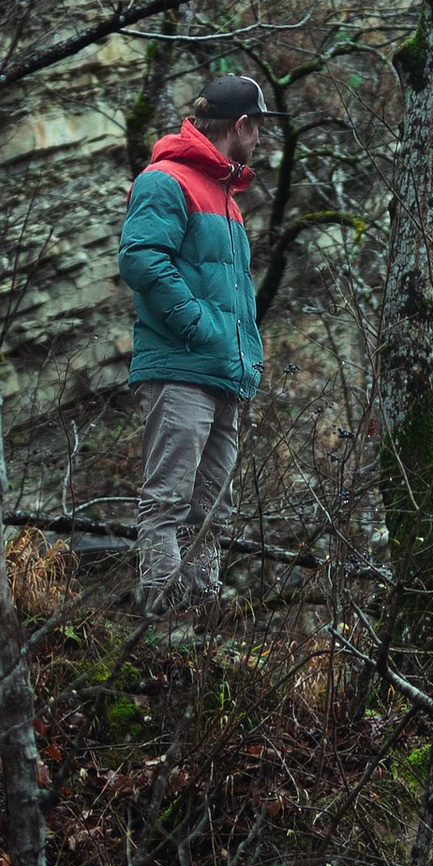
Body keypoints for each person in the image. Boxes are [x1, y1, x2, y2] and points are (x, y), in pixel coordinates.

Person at [116, 72, 270, 614]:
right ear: (242, 124)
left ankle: (197, 627)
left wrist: (242, 352)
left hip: (222, 372)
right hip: (181, 369)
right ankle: (162, 626)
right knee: (169, 499)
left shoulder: (227, 196)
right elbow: (140, 259)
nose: (260, 141)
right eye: (258, 129)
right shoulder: (165, 180)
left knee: (212, 508)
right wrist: (197, 327)